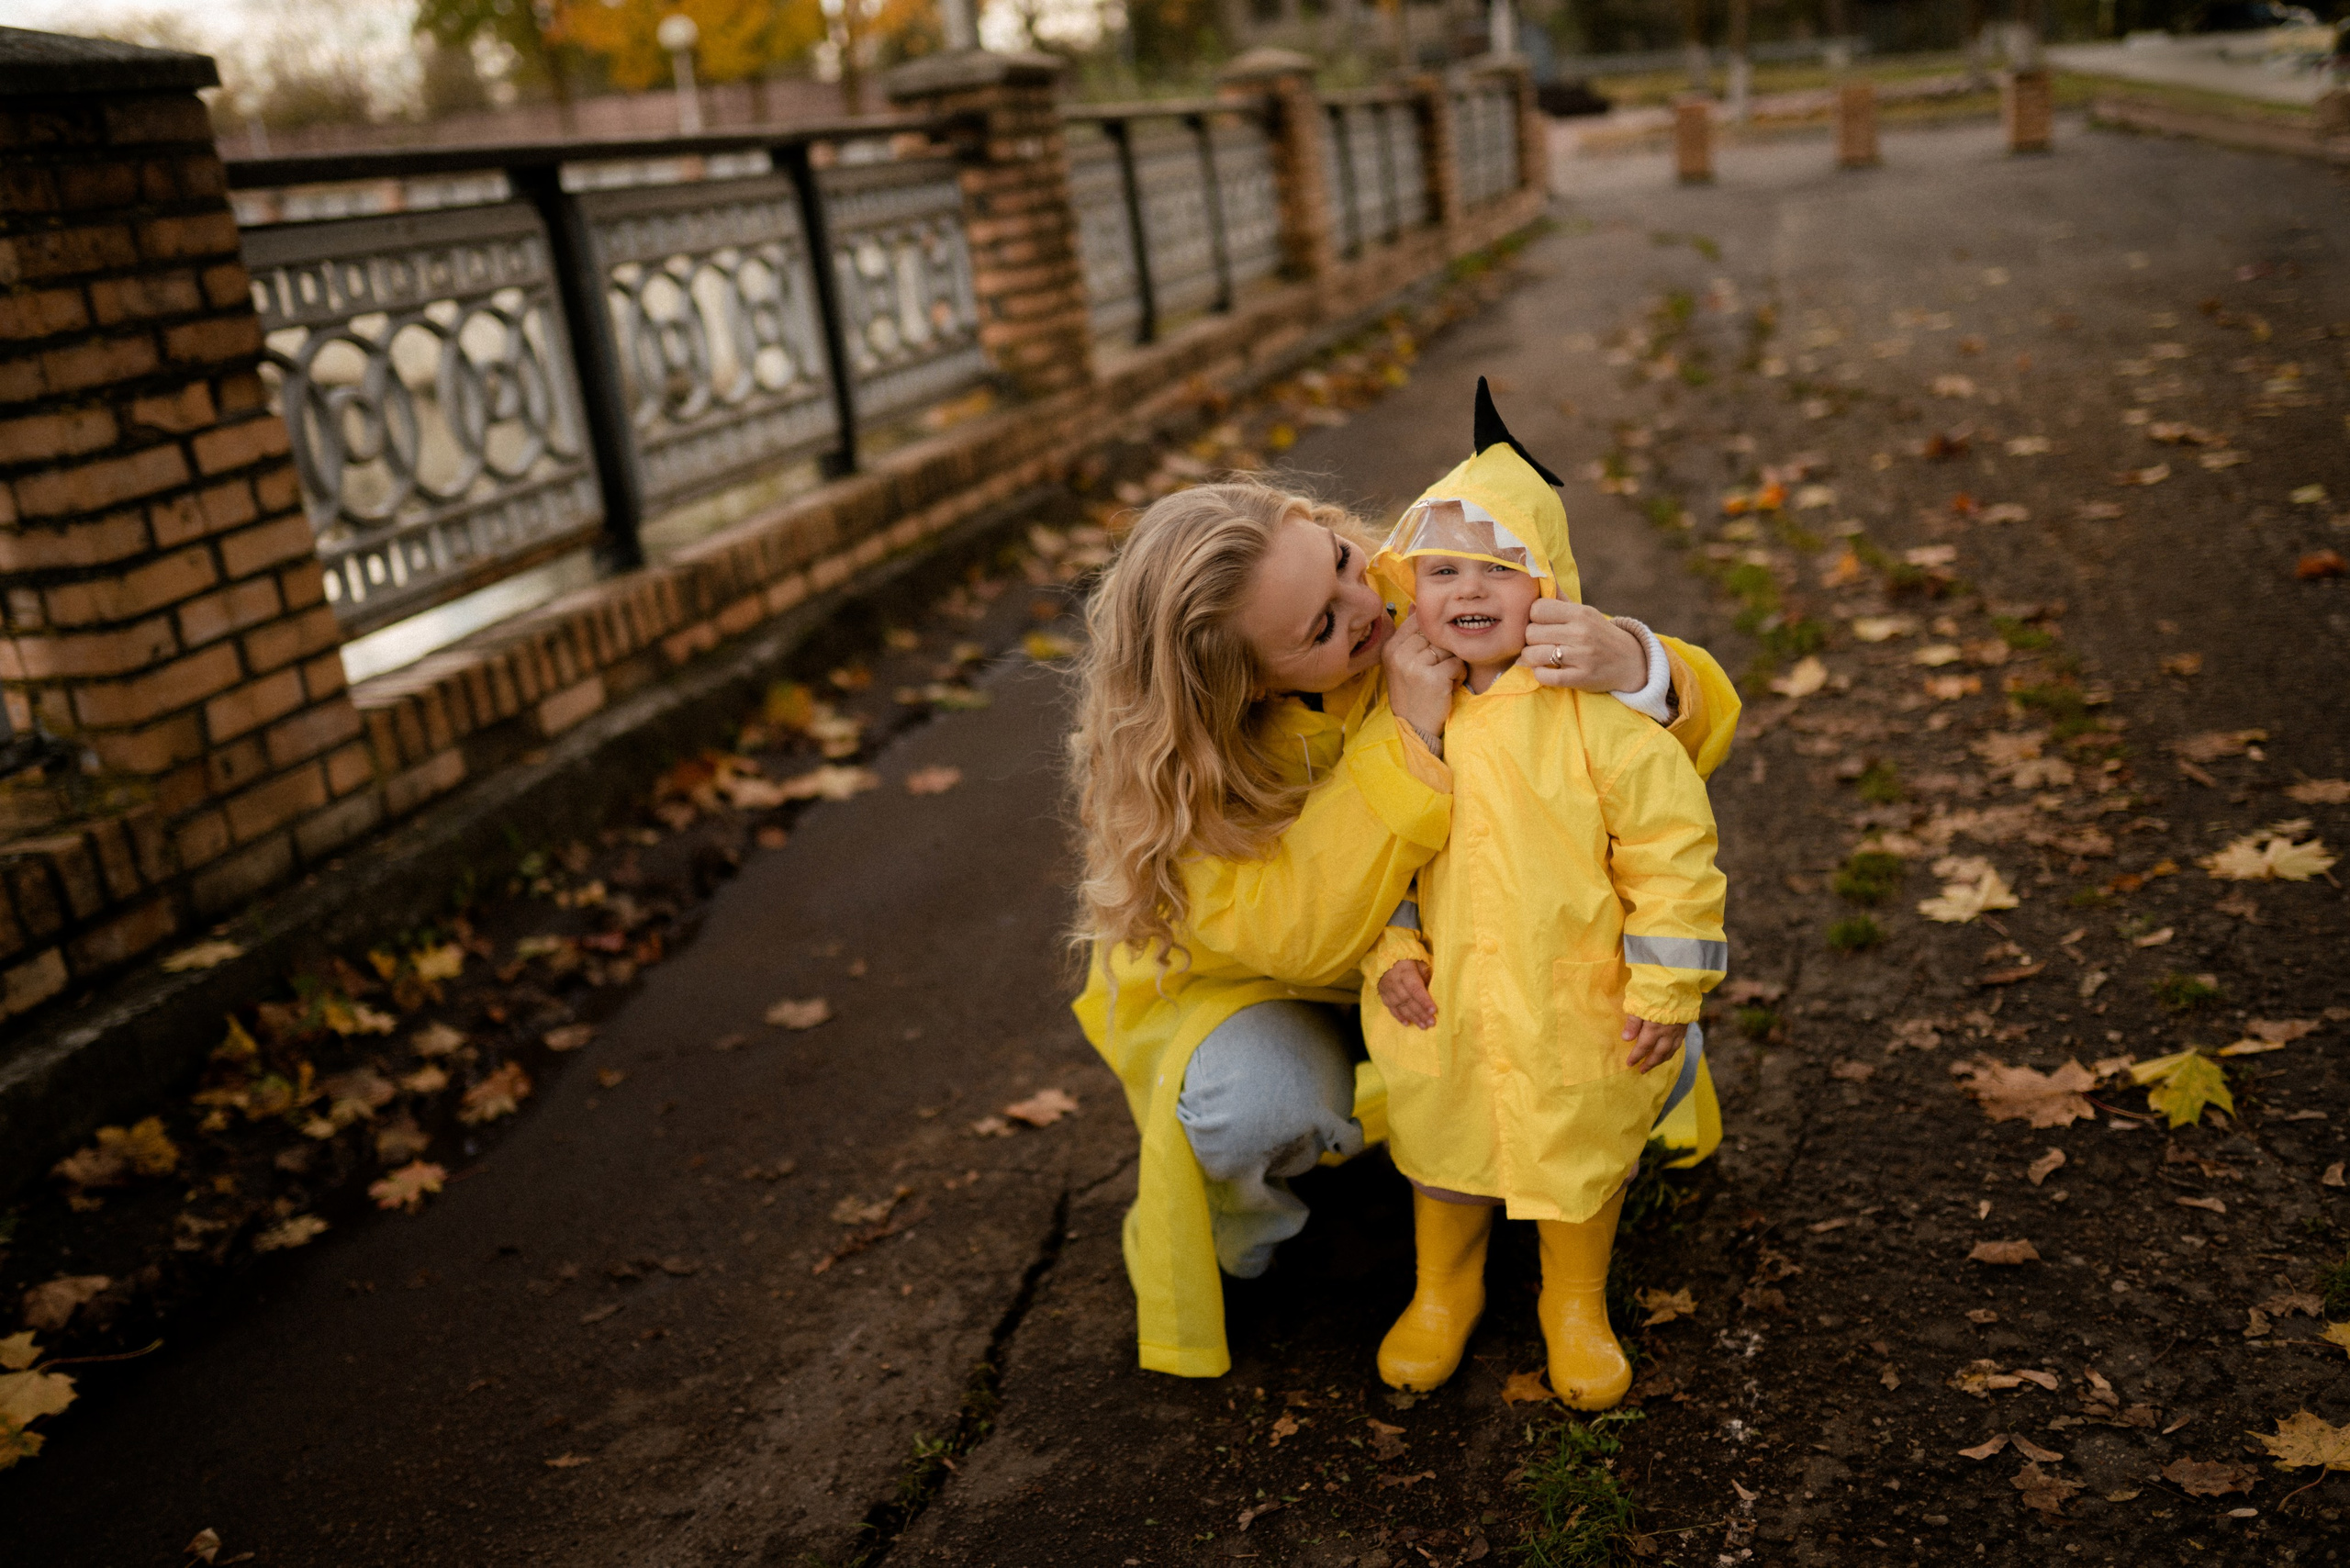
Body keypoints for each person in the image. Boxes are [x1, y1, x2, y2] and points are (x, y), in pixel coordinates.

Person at [1066, 458, 1740, 1379]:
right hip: (1273, 990)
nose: (1367, 607)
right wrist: (1409, 736)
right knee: (1253, 1105)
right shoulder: (1187, 773)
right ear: (1242, 684)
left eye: (1343, 559)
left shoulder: (1425, 579)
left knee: (1623, 1047)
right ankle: (1258, 1216)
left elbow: (1644, 767)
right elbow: (1305, 937)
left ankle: (1551, 1221)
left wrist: (1636, 666)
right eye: (1323, 627)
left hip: (1459, 951)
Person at [1360, 380, 1729, 1407]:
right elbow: (1377, 854)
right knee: (1442, 1133)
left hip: (1574, 989)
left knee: (1575, 1142)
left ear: (1550, 587)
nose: (1465, 591)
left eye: (1498, 568)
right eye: (1438, 570)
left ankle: (1574, 1301)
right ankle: (1445, 1288)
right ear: (1408, 589)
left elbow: (1673, 851)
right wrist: (1389, 950)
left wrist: (1665, 987)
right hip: (1448, 994)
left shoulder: (1595, 722)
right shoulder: (1401, 719)